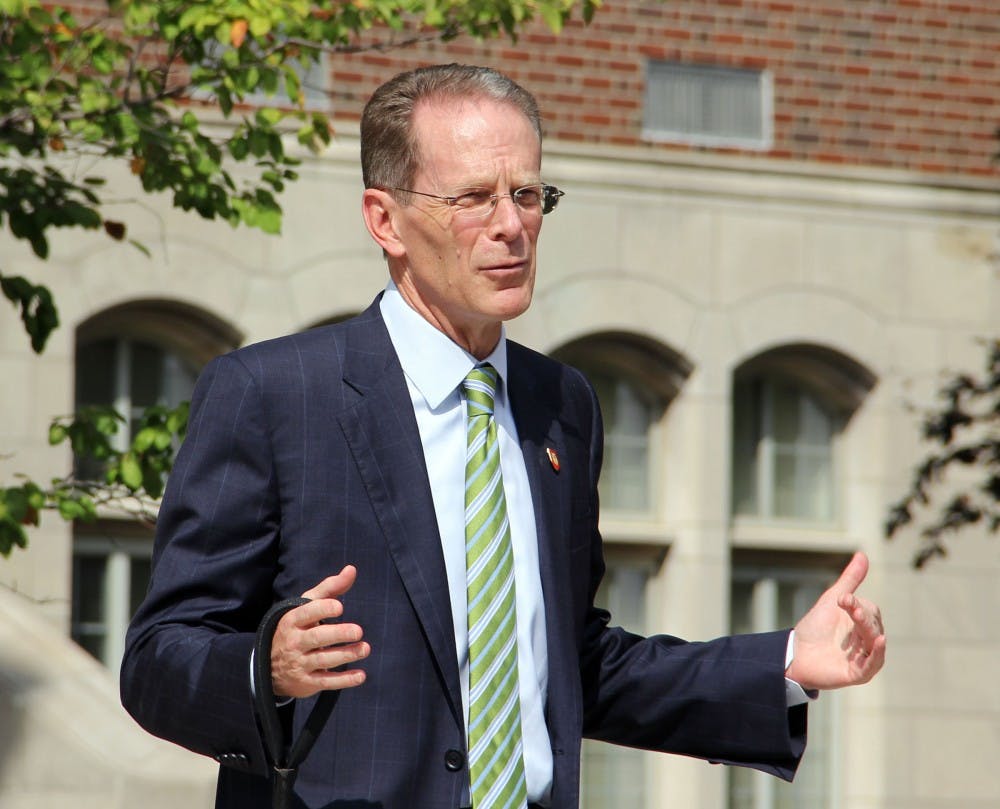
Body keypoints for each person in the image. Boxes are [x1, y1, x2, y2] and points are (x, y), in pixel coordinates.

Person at [121, 64, 886, 809]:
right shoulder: (274, 394)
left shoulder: (564, 403)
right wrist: (268, 664)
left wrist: (785, 662)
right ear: (385, 219)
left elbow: (572, 663)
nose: (512, 226)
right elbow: (158, 658)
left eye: (527, 194)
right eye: (474, 198)